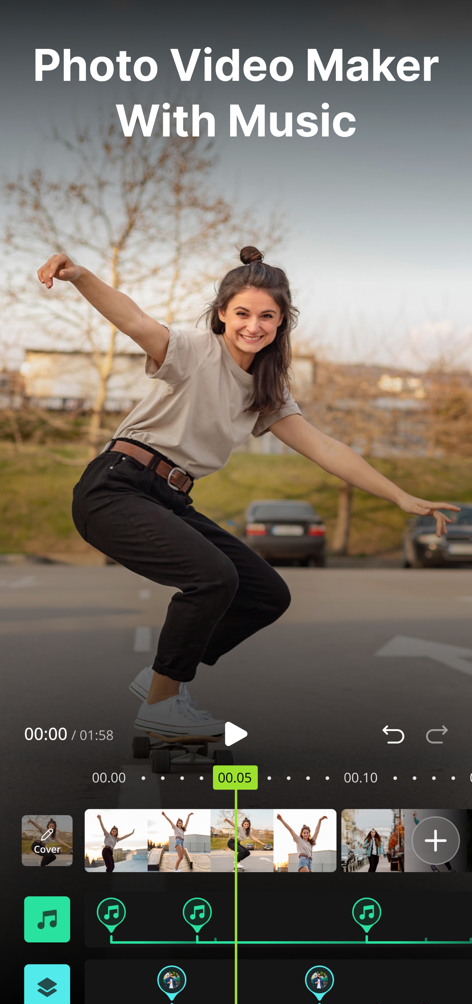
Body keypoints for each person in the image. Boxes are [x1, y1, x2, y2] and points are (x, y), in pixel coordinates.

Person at [37, 247, 459, 738]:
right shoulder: (193, 349)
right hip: (116, 487)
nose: (253, 326)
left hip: (170, 496)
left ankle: (162, 680)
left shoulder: (267, 390)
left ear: (282, 323)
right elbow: (133, 320)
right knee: (213, 577)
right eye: (242, 313)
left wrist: (400, 497)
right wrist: (81, 275)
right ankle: (162, 703)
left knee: (265, 593)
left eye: (267, 316)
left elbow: (324, 447)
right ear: (222, 314)